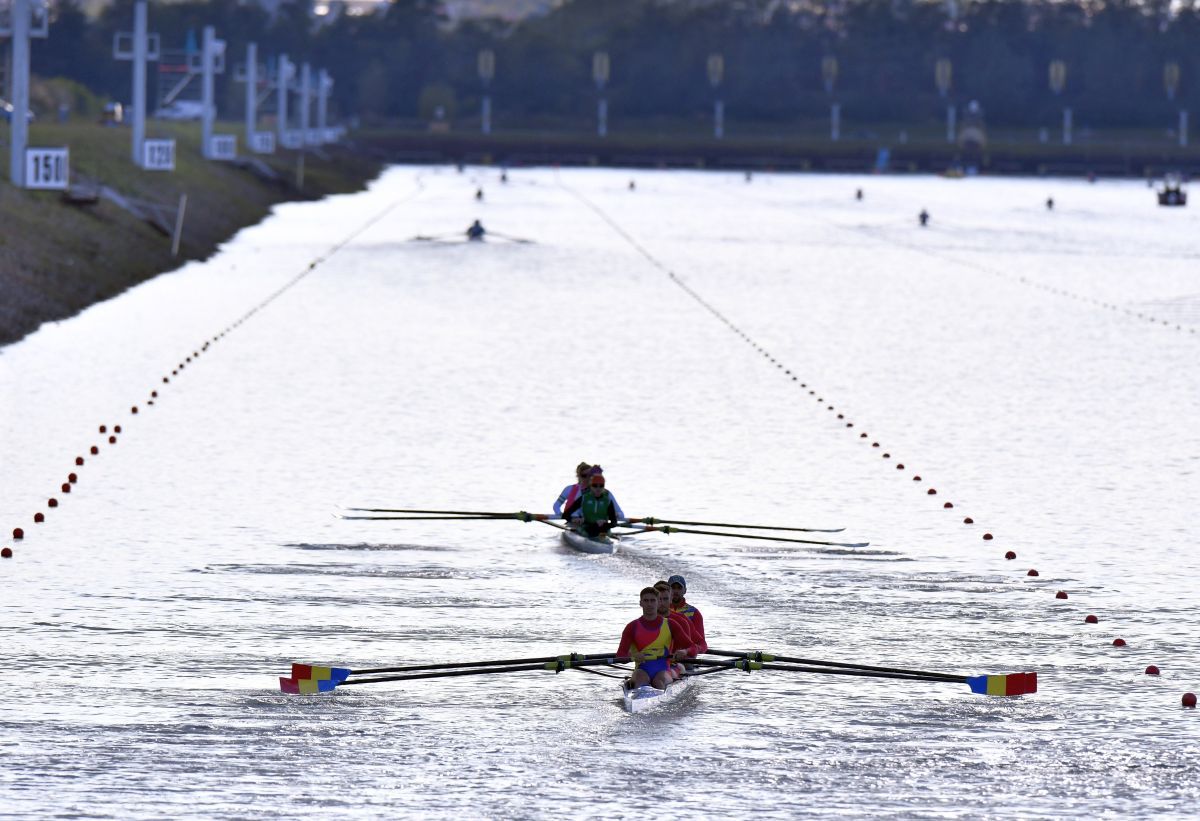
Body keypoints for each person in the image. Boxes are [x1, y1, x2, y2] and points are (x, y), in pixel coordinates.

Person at [617, 587, 689, 690]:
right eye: (646, 600)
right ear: (641, 603)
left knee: (658, 682)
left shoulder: (671, 624)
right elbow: (620, 655)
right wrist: (632, 655)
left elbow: (691, 647)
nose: (649, 604)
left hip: (664, 670)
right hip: (641, 670)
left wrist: (684, 651)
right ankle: (639, 694)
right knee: (638, 681)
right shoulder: (631, 627)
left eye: (652, 600)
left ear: (658, 602)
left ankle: (658, 695)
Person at [654, 581, 701, 679]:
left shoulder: (681, 621)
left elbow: (695, 647)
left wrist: (685, 651)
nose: (661, 603)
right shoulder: (639, 623)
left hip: (674, 664)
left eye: (665, 599)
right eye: (658, 599)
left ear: (670, 599)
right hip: (648, 665)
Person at [561, 469, 621, 537]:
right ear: (591, 486)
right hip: (587, 527)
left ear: (604, 486)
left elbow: (614, 522)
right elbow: (565, 515)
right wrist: (573, 519)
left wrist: (606, 524)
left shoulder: (608, 501)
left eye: (601, 486)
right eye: (595, 485)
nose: (598, 488)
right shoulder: (583, 498)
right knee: (591, 530)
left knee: (601, 529)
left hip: (603, 528)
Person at [668, 575, 707, 655]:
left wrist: (689, 651)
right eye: (673, 588)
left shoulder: (694, 613)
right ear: (667, 590)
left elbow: (702, 644)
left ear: (685, 590)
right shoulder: (659, 610)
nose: (676, 591)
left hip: (685, 657)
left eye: (679, 588)